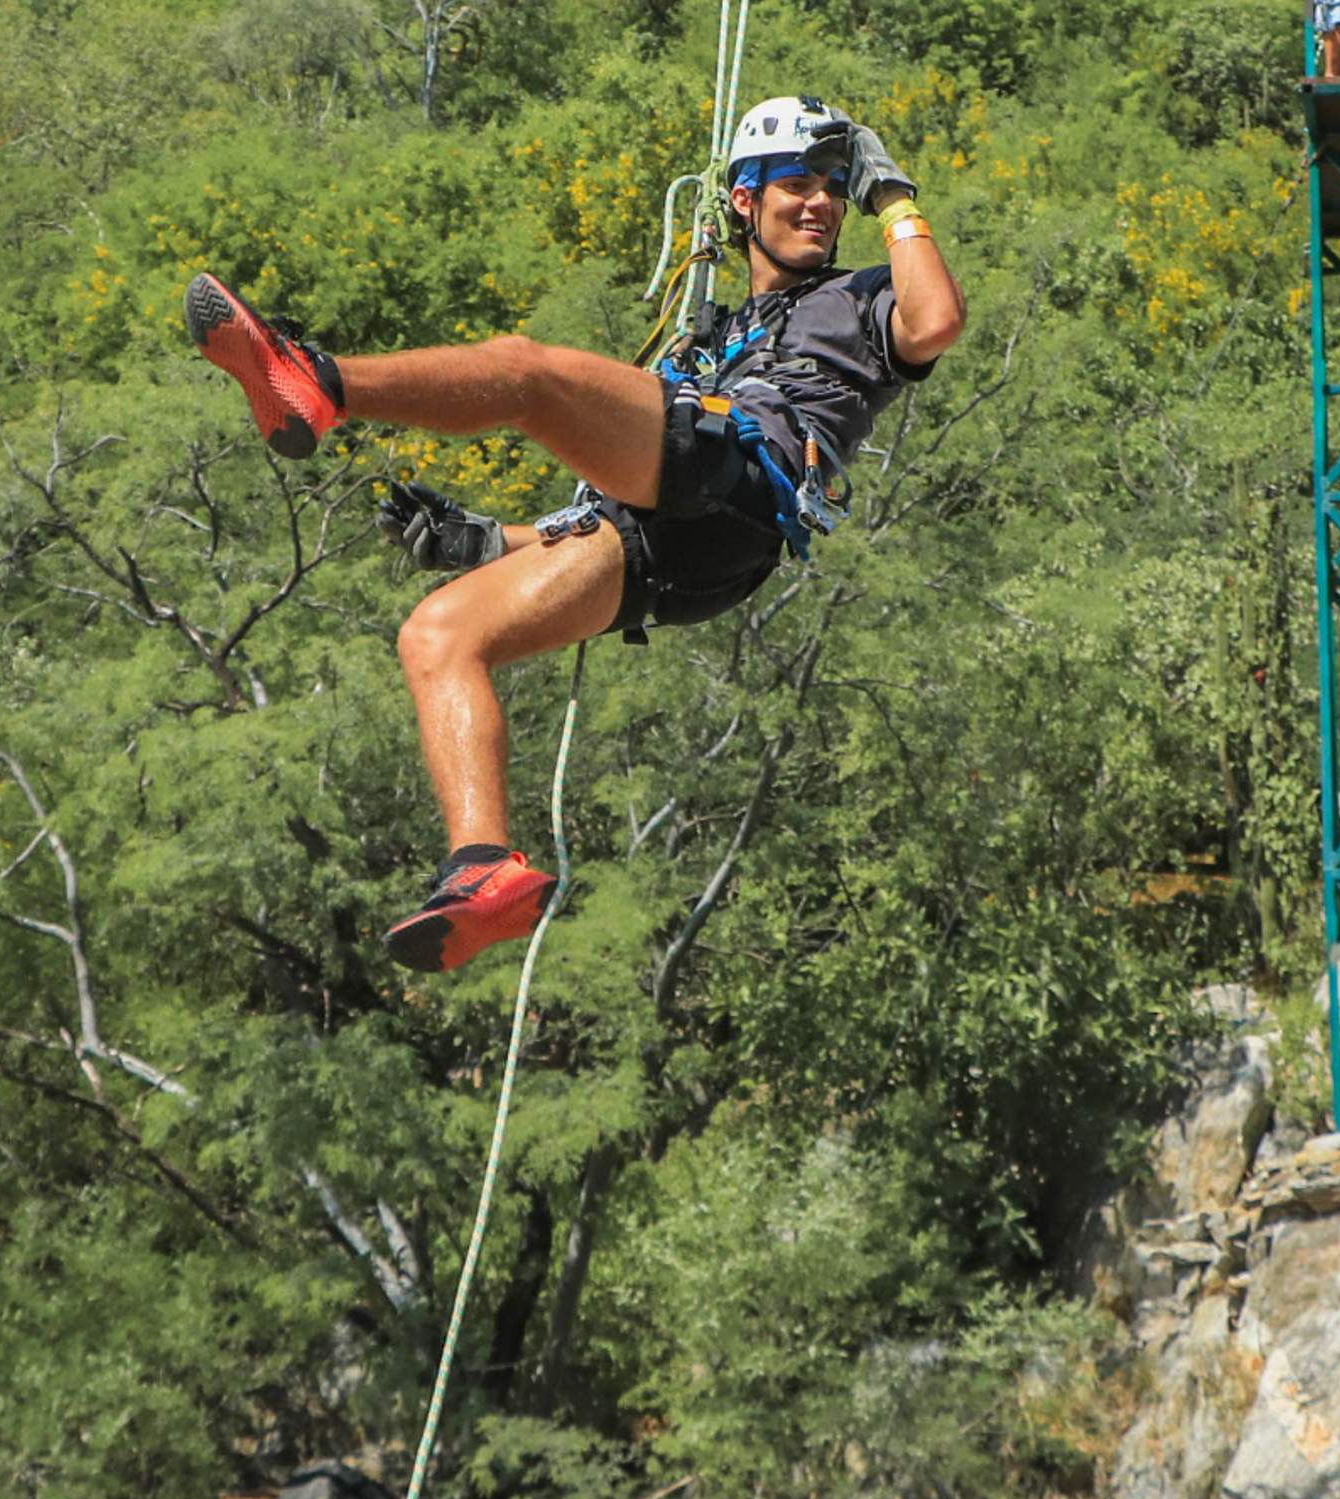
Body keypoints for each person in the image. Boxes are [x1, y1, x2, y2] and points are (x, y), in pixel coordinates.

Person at [183, 95, 967, 973]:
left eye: (831, 185)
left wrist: (892, 194)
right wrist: (490, 543)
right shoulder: (714, 336)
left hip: (737, 488)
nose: (819, 202)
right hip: (673, 554)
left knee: (525, 373)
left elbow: (935, 321)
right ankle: (483, 870)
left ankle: (315, 380)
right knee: (438, 633)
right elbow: (603, 515)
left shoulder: (861, 301)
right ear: (744, 202)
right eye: (796, 184)